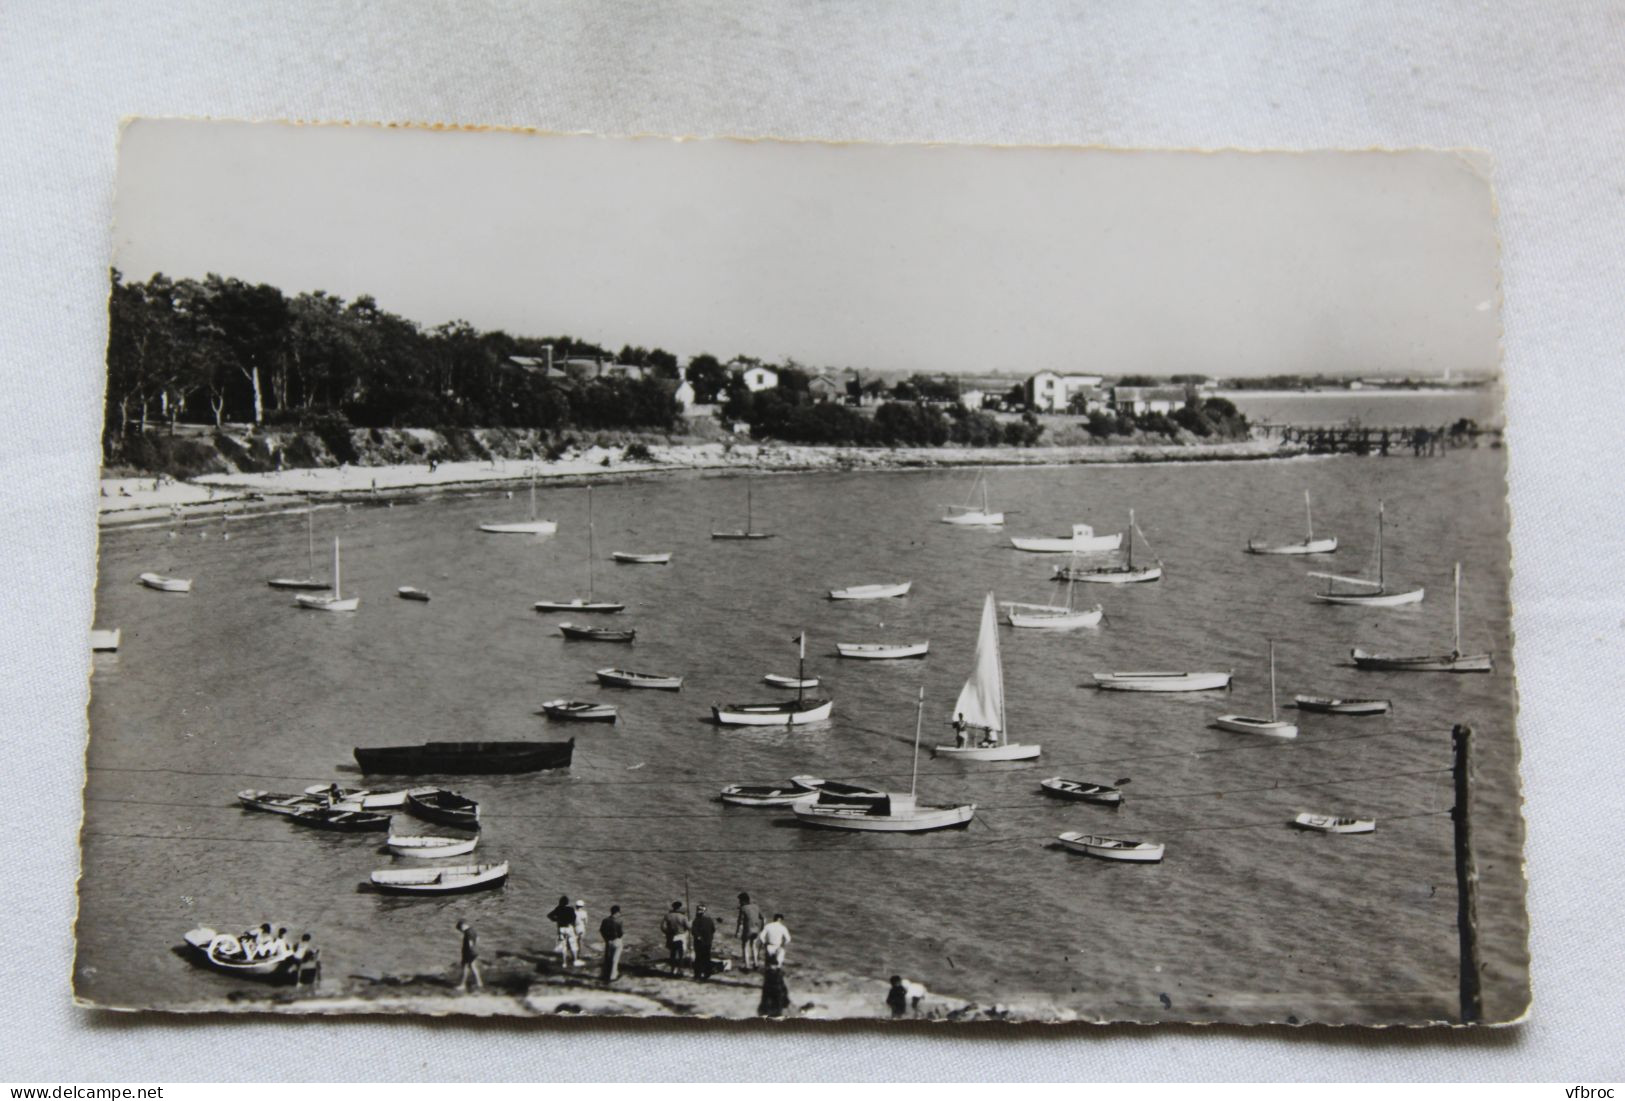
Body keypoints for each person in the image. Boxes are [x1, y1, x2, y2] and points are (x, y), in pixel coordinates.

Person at [546, 896, 579, 968]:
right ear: (567, 902)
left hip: (561, 928)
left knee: (563, 945)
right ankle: (575, 960)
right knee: (573, 944)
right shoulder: (570, 909)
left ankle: (564, 963)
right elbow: (574, 918)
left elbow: (549, 915)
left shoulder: (558, 908)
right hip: (569, 927)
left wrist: (556, 920)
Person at [735, 892, 765, 970]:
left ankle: (747, 965)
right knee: (754, 946)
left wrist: (737, 932)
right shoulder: (756, 906)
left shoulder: (743, 908)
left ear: (743, 900)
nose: (739, 902)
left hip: (748, 930)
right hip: (756, 930)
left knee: (745, 946)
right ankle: (756, 963)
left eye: (740, 900)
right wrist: (762, 928)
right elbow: (763, 918)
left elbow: (740, 922)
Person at [660, 901, 690, 974]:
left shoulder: (667, 915)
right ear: (679, 907)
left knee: (672, 954)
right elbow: (688, 927)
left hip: (671, 936)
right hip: (681, 936)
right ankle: (680, 970)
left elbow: (662, 926)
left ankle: (672, 970)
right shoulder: (683, 917)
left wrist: (667, 932)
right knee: (681, 954)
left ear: (673, 907)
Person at [598, 905, 624, 982]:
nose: (619, 914)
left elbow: (601, 930)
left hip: (608, 941)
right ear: (617, 912)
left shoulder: (605, 920)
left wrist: (606, 939)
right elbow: (620, 934)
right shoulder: (619, 921)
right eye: (619, 912)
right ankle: (613, 976)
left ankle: (605, 975)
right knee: (615, 960)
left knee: (608, 959)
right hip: (616, 941)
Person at [691, 904, 716, 981]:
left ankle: (697, 975)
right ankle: (706, 973)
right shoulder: (709, 920)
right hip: (708, 941)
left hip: (699, 942)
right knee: (706, 957)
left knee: (698, 958)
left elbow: (693, 931)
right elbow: (713, 930)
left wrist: (698, 936)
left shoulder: (696, 920)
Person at [457, 920, 482, 992]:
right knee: (473, 966)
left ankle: (462, 985)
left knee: (465, 968)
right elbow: (478, 938)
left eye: (460, 929)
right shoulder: (473, 930)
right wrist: (475, 947)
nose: (461, 931)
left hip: (469, 952)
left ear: (462, 926)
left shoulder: (467, 932)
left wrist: (470, 950)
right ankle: (479, 983)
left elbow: (470, 943)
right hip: (475, 951)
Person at [572, 900, 589, 969]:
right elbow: (586, 922)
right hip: (581, 928)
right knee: (580, 943)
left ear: (576, 906)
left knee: (575, 943)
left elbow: (572, 922)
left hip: (575, 928)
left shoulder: (573, 912)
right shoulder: (584, 913)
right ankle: (578, 957)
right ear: (582, 906)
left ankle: (574, 956)